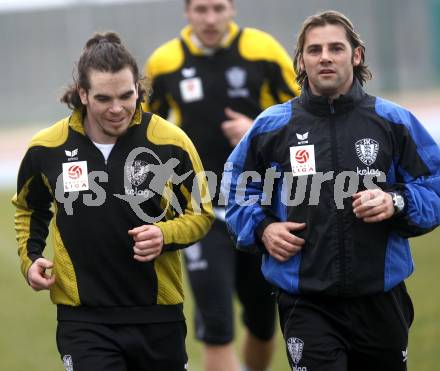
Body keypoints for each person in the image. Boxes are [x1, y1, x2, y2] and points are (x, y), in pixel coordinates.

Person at [223, 10, 440, 371]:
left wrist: (396, 201)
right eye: (314, 50)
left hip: (381, 300)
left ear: (356, 56)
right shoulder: (272, 126)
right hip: (306, 302)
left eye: (336, 48)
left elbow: (434, 185)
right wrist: (263, 229)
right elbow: (233, 191)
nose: (325, 56)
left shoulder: (393, 122)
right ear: (301, 61)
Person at [12, 31, 214, 371]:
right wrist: (30, 259)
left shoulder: (169, 141)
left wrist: (166, 234)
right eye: (104, 98)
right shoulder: (47, 148)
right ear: (83, 94)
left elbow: (201, 212)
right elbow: (30, 207)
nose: (117, 108)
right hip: (83, 321)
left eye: (126, 95)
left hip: (158, 316)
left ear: (138, 88)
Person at [144, 1, 300, 370]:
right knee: (215, 322)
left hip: (260, 211)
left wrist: (256, 129)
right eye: (201, 9)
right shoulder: (164, 63)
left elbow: (307, 116)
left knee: (263, 322)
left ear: (232, 9)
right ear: (187, 12)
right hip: (202, 210)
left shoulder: (262, 51)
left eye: (218, 8)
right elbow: (146, 132)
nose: (210, 18)